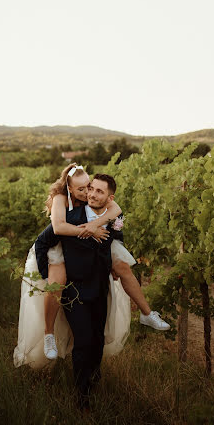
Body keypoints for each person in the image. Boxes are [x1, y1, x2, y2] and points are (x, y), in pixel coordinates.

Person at [41, 164, 169, 360]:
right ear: (69, 189)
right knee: (56, 283)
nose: (87, 192)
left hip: (81, 239)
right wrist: (91, 229)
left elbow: (115, 209)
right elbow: (58, 228)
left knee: (123, 267)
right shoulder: (61, 199)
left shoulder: (92, 202)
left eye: (89, 186)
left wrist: (94, 224)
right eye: (82, 189)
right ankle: (48, 333)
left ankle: (146, 312)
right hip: (56, 245)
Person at [36, 174, 132, 408]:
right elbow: (42, 242)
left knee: (97, 339)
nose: (91, 193)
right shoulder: (68, 218)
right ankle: (82, 396)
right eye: (89, 189)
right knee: (84, 339)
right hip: (73, 291)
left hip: (99, 288)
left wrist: (113, 265)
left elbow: (116, 239)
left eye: (97, 190)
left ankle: (94, 376)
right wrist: (46, 276)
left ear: (108, 197)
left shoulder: (111, 219)